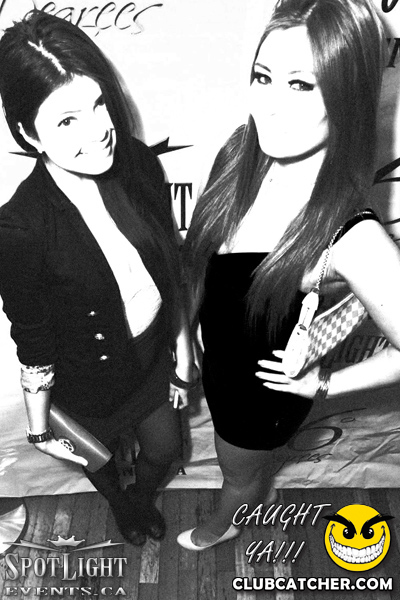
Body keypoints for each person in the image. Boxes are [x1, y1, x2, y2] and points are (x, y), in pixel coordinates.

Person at [178, 0, 400, 550]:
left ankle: (224, 523)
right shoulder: (240, 153)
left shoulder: (352, 236)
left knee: (238, 474)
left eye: (301, 84)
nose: (269, 106)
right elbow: (203, 268)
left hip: (259, 398)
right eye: (263, 77)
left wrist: (325, 385)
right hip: (218, 363)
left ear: (348, 98)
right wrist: (187, 340)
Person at [0, 11, 195, 546]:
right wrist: (39, 426)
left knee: (164, 449)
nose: (98, 131)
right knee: (99, 461)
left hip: (150, 358)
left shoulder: (137, 163)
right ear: (28, 134)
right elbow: (32, 339)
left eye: (98, 103)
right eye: (67, 121)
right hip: (85, 379)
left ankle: (142, 498)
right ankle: (121, 505)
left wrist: (182, 350)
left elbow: (170, 267)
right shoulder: (19, 228)